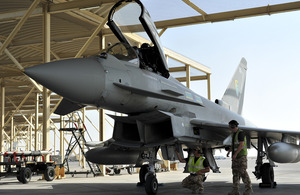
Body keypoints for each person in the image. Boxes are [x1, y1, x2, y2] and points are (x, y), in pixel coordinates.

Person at [227, 120, 253, 195]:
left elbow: (241, 145)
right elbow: (234, 144)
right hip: (235, 156)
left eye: (229, 125)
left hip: (241, 156)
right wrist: (229, 151)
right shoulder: (233, 134)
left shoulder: (240, 133)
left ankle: (249, 189)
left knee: (243, 172)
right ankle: (235, 190)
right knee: (235, 173)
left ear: (232, 126)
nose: (229, 127)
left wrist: (235, 154)